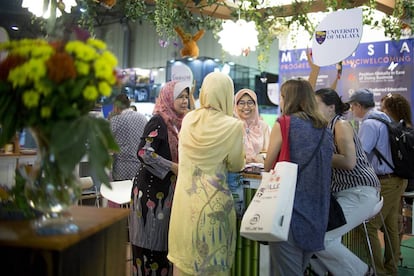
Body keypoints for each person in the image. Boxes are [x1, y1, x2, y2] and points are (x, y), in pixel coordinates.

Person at [168, 72, 245, 276]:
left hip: (184, 206)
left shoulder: (189, 119)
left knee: (183, 265)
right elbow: (237, 165)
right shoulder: (234, 126)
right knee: (212, 266)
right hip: (214, 207)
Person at [264, 78, 333, 275]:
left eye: (282, 97)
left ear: (289, 99)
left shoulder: (285, 124)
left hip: (288, 213)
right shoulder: (325, 130)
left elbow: (269, 166)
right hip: (317, 214)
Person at [311, 88, 380, 275]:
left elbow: (349, 162)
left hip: (360, 191)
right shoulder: (322, 129)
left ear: (331, 108)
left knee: (322, 239)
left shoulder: (340, 125)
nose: (311, 109)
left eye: (315, 105)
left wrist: (316, 154)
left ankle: (364, 272)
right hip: (341, 194)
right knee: (311, 235)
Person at [129, 80, 190, 276]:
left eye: (186, 96)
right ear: (168, 98)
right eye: (180, 96)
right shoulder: (158, 121)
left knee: (163, 246)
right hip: (151, 193)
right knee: (150, 244)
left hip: (166, 192)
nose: (184, 100)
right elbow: (143, 152)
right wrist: (173, 167)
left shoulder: (178, 124)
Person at [347, 88, 407, 276]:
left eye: (352, 106)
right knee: (389, 227)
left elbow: (360, 155)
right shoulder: (383, 117)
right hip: (397, 179)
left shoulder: (370, 124)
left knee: (369, 225)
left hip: (386, 181)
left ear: (358, 105)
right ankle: (390, 270)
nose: (351, 110)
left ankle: (378, 272)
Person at [380, 92, 413, 262]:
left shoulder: (395, 130)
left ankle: (391, 258)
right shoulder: (408, 128)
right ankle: (394, 257)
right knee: (394, 220)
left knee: (390, 221)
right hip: (406, 180)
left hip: (398, 180)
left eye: (383, 108)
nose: (381, 111)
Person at [109, 93, 147, 182]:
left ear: (116, 106)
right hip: (140, 167)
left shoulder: (115, 120)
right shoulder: (143, 118)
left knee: (121, 194)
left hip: (122, 169)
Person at [234, 88, 270, 164]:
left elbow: (269, 152)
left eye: (250, 103)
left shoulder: (263, 126)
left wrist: (261, 157)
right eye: (241, 103)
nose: (246, 107)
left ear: (255, 105)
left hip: (258, 173)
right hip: (235, 172)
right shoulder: (232, 126)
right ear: (236, 105)